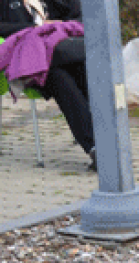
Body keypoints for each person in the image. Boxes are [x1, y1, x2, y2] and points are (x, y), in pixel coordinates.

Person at [0, 0, 94, 166]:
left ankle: (104, 143)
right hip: (31, 64)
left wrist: (60, 24)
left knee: (82, 70)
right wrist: (34, 29)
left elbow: (80, 18)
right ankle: (96, 147)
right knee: (59, 78)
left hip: (65, 52)